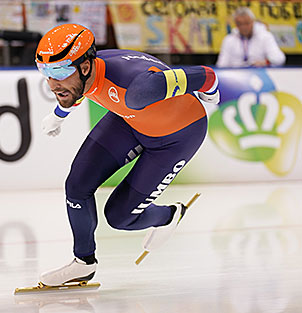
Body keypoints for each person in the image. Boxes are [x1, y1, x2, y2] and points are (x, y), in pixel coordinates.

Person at [35, 23, 219, 286]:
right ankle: (83, 263)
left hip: (177, 137)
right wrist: (58, 115)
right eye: (46, 72)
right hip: (130, 120)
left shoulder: (137, 87)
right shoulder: (83, 74)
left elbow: (207, 74)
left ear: (85, 66)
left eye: (60, 71)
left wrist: (211, 94)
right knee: (76, 185)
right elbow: (75, 90)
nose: (53, 83)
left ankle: (169, 215)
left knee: (120, 217)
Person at [217, 7, 285, 67]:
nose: (243, 27)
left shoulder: (265, 36)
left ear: (252, 22)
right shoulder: (229, 40)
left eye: (246, 23)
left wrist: (266, 62)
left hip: (260, 74)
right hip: (235, 76)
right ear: (235, 24)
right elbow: (221, 64)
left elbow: (279, 59)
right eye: (240, 24)